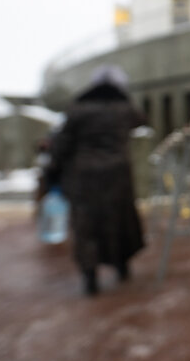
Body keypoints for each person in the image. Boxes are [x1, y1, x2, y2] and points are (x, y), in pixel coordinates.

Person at [47, 65, 147, 296]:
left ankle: (90, 276)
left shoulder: (77, 109)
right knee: (120, 219)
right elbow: (142, 120)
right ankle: (122, 265)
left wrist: (54, 169)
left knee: (86, 224)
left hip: (84, 175)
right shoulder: (123, 108)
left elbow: (62, 143)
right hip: (117, 173)